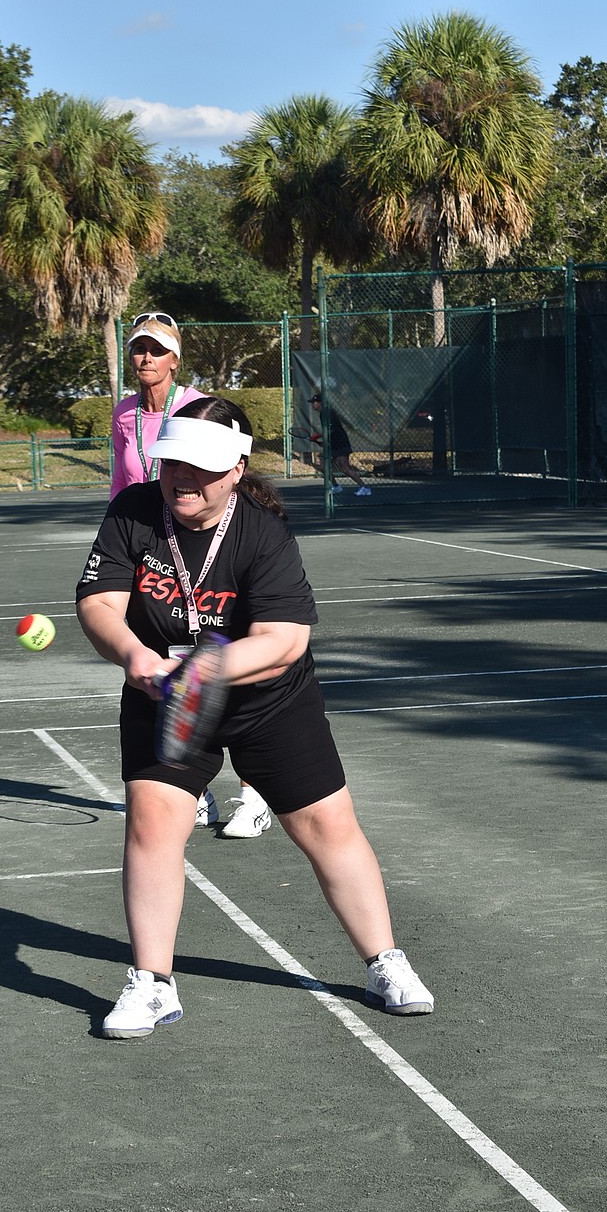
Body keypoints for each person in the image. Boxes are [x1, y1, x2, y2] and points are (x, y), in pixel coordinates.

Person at [76, 395, 434, 1038]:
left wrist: (202, 669)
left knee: (328, 826)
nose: (185, 476)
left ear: (237, 469)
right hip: (164, 694)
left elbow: (283, 641)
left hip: (269, 700)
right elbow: (100, 603)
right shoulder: (133, 512)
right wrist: (135, 655)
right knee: (153, 822)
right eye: (175, 461)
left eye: (204, 466)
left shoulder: (263, 533)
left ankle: (385, 961)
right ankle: (152, 984)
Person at [111, 312, 270, 839]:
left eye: (157, 349)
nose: (146, 358)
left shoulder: (195, 409)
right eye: (139, 348)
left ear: (175, 357)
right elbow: (123, 482)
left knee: (233, 676)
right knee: (170, 673)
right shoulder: (124, 412)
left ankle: (253, 796)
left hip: (210, 542)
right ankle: (191, 791)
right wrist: (121, 543)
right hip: (152, 546)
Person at [309, 392, 372, 496]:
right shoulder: (322, 414)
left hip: (340, 443)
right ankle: (336, 487)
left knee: (345, 468)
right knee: (323, 466)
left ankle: (365, 488)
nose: (312, 404)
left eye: (314, 402)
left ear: (320, 403)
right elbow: (328, 432)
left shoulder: (327, 413)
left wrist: (319, 438)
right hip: (333, 444)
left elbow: (331, 430)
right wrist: (322, 442)